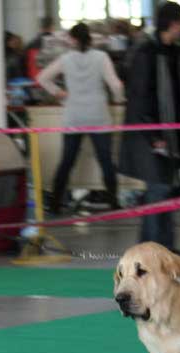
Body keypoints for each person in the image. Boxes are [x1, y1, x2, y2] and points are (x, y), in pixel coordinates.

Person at [119, 2, 180, 250]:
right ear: (174, 24)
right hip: (150, 135)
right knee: (158, 191)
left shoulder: (172, 52)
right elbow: (140, 97)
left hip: (169, 133)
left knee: (165, 190)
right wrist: (154, 135)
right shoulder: (148, 54)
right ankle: (151, 249)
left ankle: (163, 248)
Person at [37, 22, 124, 214]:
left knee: (67, 161)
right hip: (98, 115)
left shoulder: (65, 59)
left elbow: (42, 77)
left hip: (73, 116)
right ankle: (114, 202)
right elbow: (116, 85)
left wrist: (59, 93)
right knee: (106, 161)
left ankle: (55, 203)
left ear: (73, 39)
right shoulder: (102, 57)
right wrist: (118, 100)